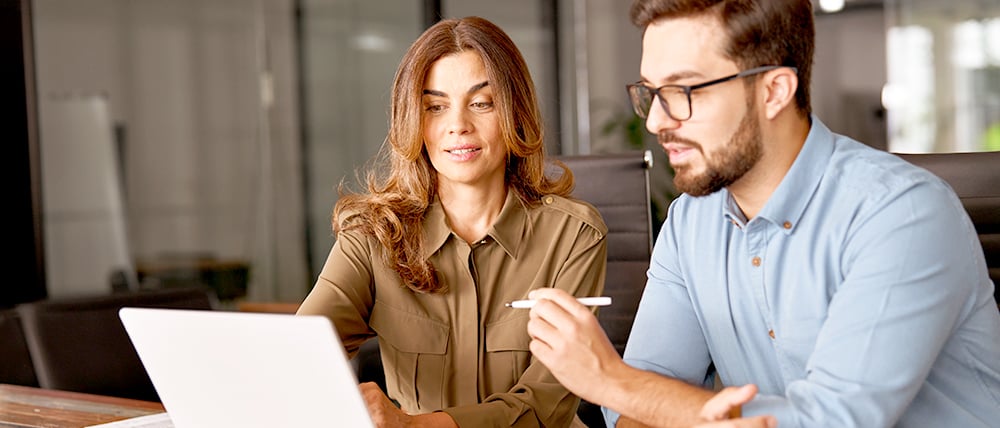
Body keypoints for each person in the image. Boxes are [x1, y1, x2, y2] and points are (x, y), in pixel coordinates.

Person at [526, 1, 1000, 427]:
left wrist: (611, 381)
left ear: (774, 91)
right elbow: (639, 406)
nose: (655, 122)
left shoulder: (902, 215)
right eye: (651, 92)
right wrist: (638, 396)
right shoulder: (692, 222)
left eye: (685, 91)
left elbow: (834, 422)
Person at [296, 16, 607, 428]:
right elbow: (301, 354)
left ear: (514, 112)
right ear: (414, 120)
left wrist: (414, 425)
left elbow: (545, 404)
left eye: (481, 103)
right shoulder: (372, 235)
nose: (458, 125)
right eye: (435, 106)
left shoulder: (574, 234)